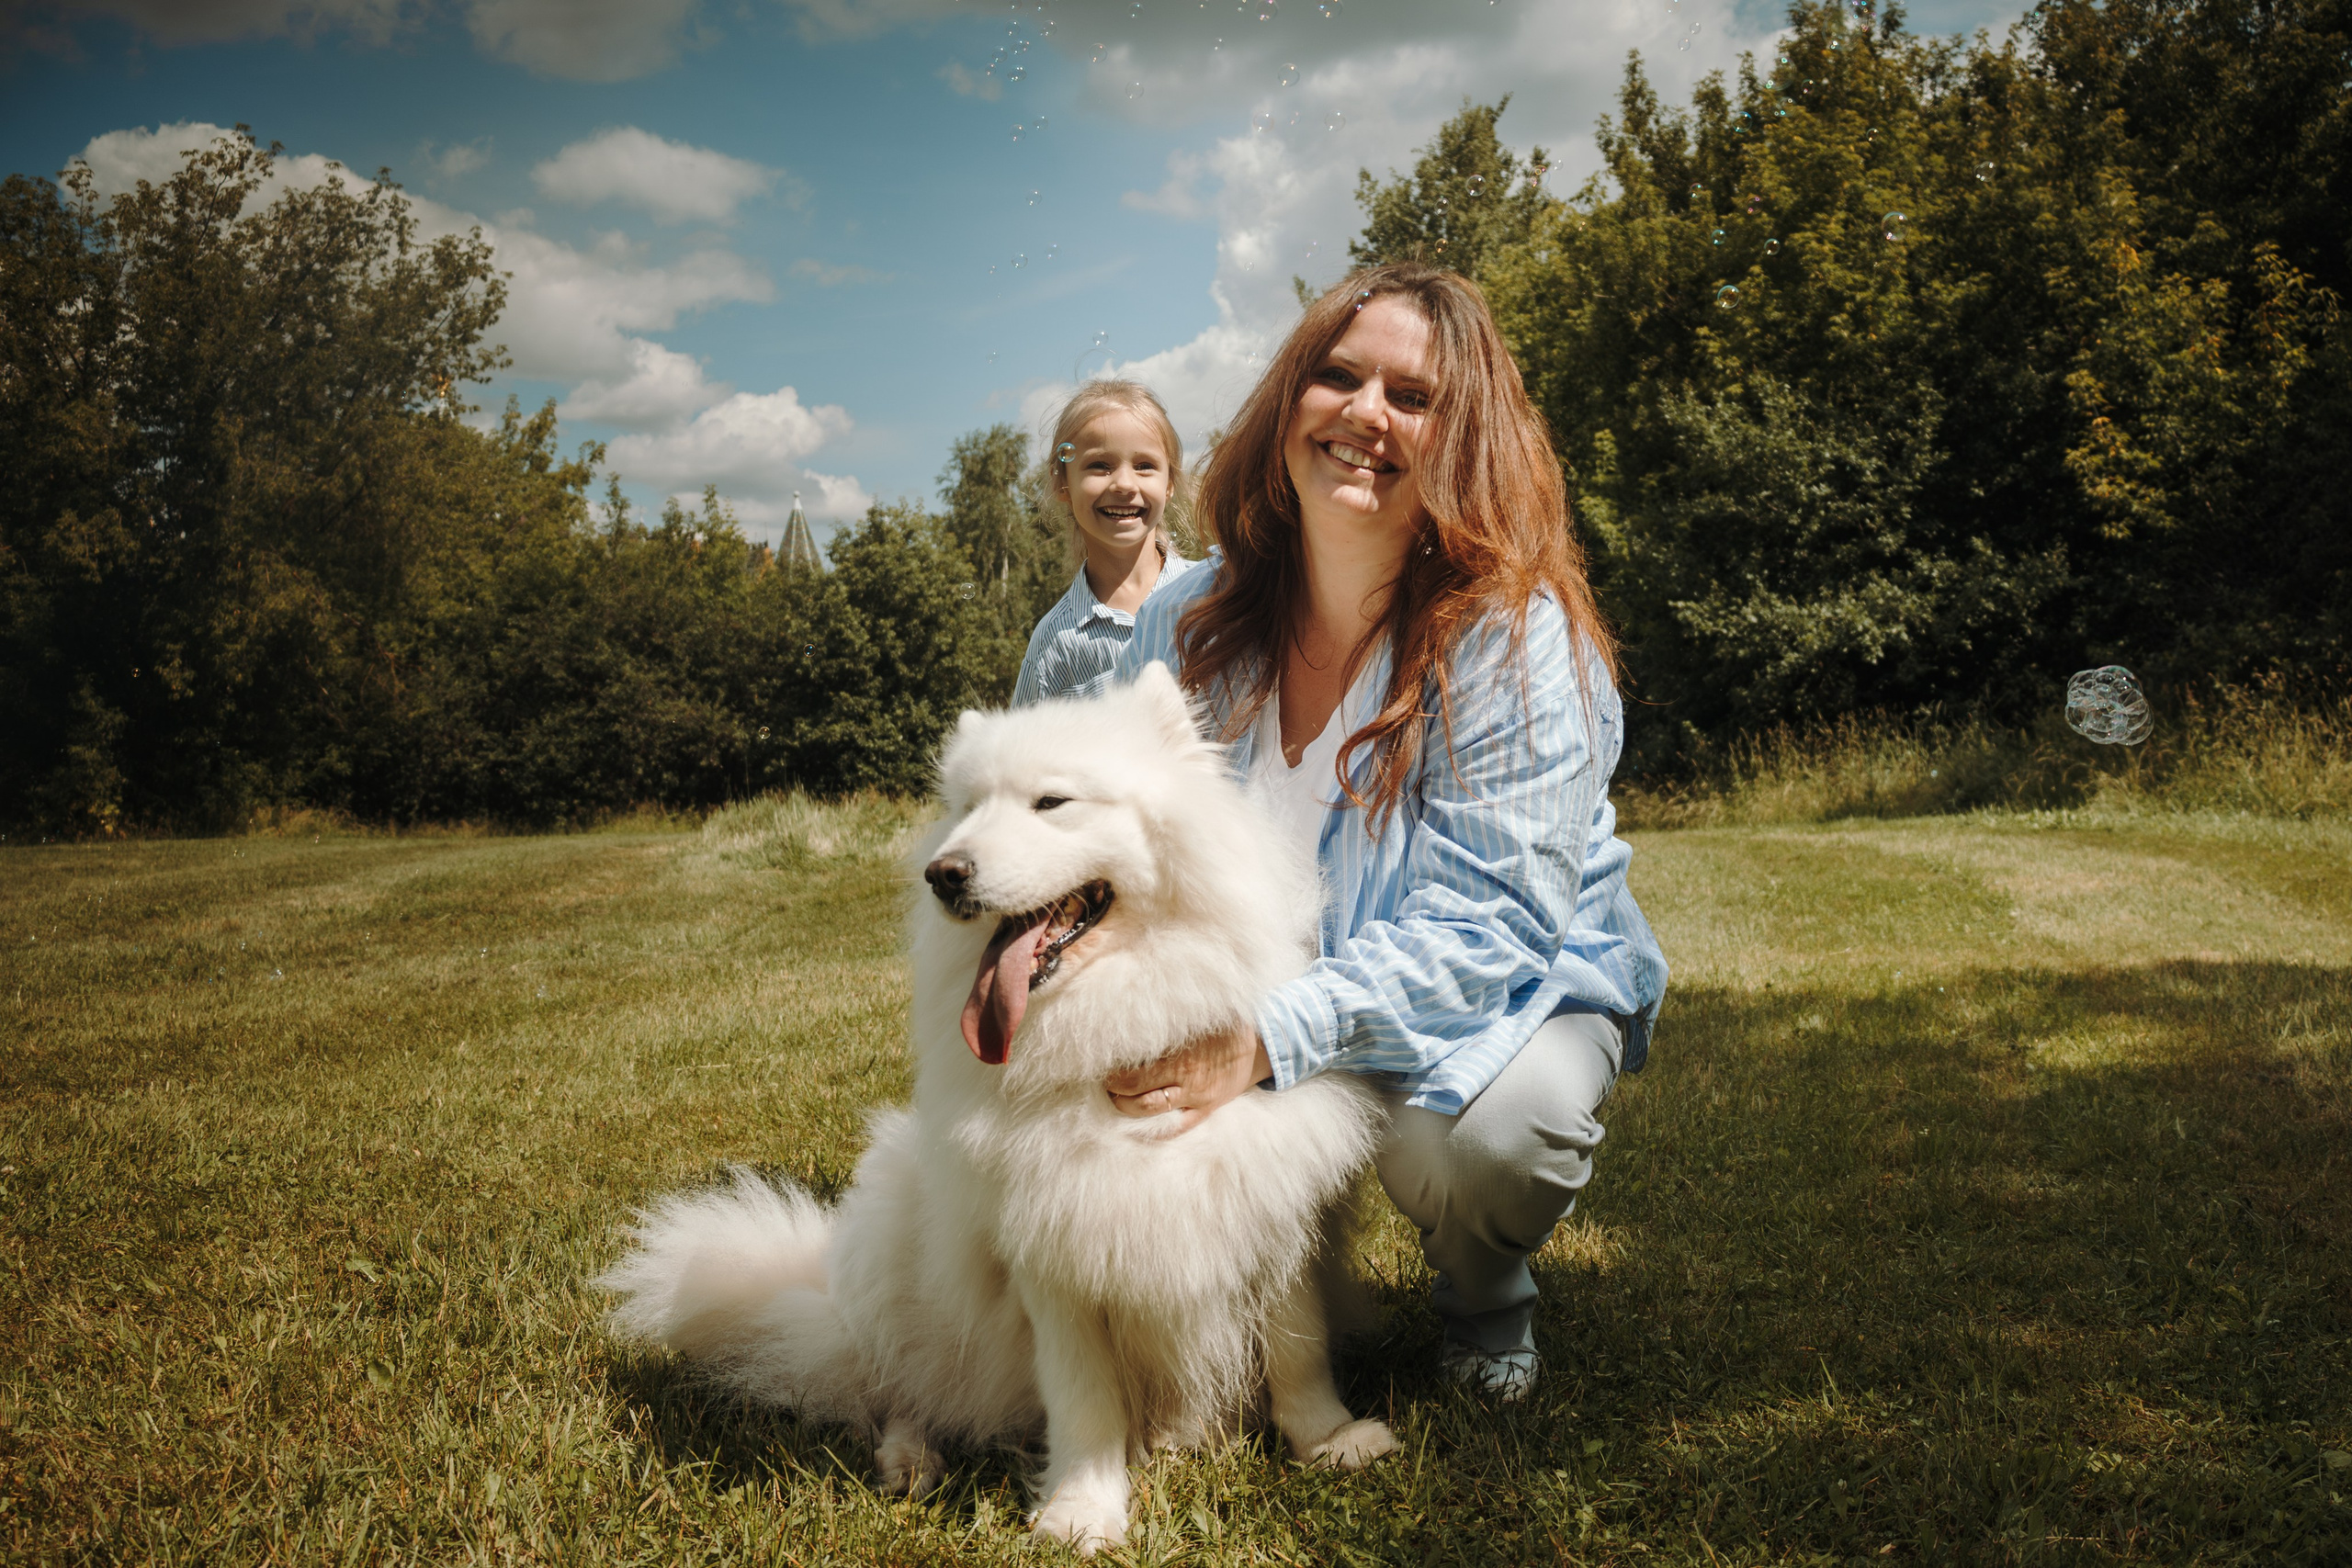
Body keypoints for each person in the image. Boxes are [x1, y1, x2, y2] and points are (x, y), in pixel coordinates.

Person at [1102, 263, 1668, 1400]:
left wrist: (1263, 1041)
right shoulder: (1184, 618)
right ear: (1287, 406)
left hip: (1511, 985)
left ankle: (1482, 1300)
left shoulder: (1514, 636)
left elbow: (1491, 922)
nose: (1365, 414)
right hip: (1278, 986)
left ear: (1466, 444)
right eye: (1338, 376)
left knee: (1476, 1148)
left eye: (1412, 399)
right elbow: (1108, 829)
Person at [1012, 380, 1205, 705]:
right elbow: (1022, 755)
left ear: (1169, 483)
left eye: (1145, 466)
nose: (1125, 484)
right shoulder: (1054, 644)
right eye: (1100, 465)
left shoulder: (1215, 595)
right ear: (1063, 484)